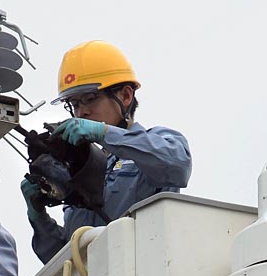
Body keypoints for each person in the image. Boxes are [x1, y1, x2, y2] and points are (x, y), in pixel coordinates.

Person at [21, 40, 192, 264]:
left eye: (90, 99)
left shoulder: (158, 142)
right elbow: (66, 266)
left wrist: (104, 133)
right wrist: (38, 216)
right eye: (74, 104)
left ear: (125, 96)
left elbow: (178, 166)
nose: (81, 112)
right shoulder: (80, 167)